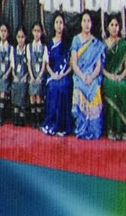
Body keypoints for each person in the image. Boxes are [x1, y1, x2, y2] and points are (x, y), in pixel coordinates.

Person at [70, 10, 105, 139]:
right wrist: (82, 76)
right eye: (84, 21)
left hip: (92, 76)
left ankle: (93, 129)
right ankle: (81, 128)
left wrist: (91, 77)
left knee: (95, 88)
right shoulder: (76, 40)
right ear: (80, 23)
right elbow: (74, 63)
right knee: (79, 88)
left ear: (91, 23)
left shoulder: (96, 43)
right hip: (79, 76)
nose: (86, 24)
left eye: (88, 21)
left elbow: (98, 66)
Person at [42, 13, 73, 136]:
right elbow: (47, 64)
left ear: (64, 25)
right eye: (57, 22)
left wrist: (63, 74)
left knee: (63, 87)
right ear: (54, 25)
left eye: (61, 23)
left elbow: (71, 65)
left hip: (65, 75)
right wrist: (53, 74)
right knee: (53, 87)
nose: (59, 25)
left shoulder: (67, 44)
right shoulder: (49, 44)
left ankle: (62, 126)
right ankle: (51, 123)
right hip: (52, 75)